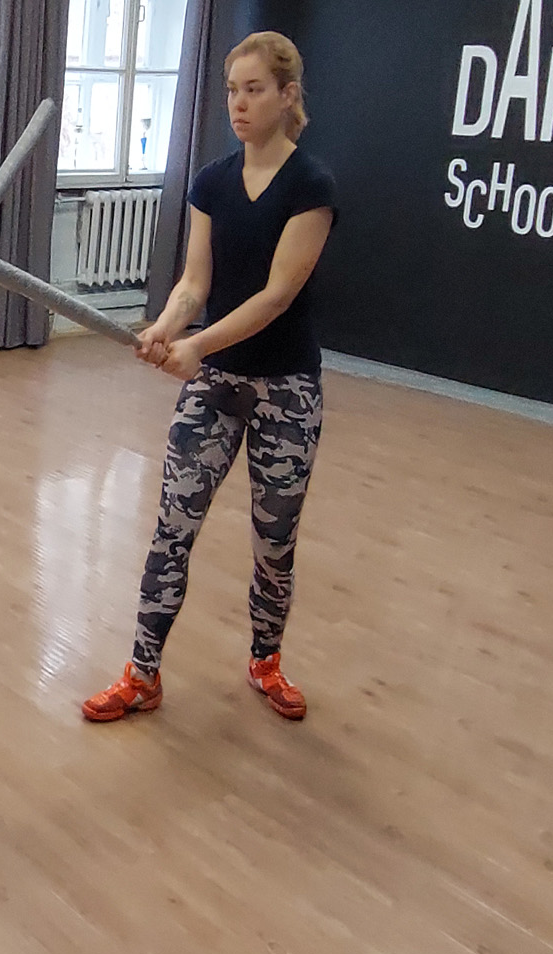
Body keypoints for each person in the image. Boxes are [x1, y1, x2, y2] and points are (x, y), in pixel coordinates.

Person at [83, 31, 336, 725]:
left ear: (287, 95)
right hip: (216, 385)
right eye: (231, 90)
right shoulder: (212, 182)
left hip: (286, 389)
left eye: (254, 90)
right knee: (173, 526)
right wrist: (167, 327)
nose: (238, 104)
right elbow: (195, 283)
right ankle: (142, 674)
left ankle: (265, 660)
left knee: (274, 543)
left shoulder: (311, 187)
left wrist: (197, 345)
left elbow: (276, 296)